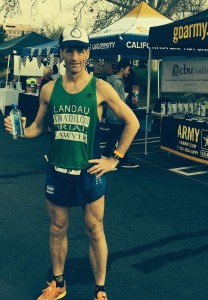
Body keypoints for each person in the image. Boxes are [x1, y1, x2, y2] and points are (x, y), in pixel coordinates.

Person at [4, 26, 139, 300]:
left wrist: (114, 159)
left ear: (87, 53)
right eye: (69, 49)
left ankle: (100, 290)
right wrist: (19, 131)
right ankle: (58, 283)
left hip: (89, 172)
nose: (74, 56)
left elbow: (132, 122)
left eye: (80, 50)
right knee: (57, 228)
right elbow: (38, 127)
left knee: (94, 230)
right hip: (57, 170)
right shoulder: (49, 89)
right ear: (61, 53)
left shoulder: (100, 87)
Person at [103, 59, 140, 168]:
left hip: (112, 114)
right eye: (128, 69)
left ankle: (121, 159)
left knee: (116, 138)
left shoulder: (111, 80)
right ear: (122, 69)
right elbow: (119, 102)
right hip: (117, 115)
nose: (129, 72)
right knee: (116, 138)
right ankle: (111, 158)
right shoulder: (118, 82)